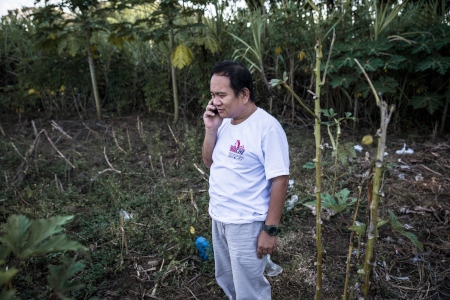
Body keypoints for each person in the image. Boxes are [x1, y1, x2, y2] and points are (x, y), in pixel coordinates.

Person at [202, 60, 290, 300]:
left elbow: (280, 180)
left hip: (246, 223)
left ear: (244, 94)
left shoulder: (267, 128)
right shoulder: (224, 122)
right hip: (219, 217)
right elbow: (210, 162)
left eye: (222, 94)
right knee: (227, 279)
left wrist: (270, 230)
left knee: (250, 289)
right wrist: (211, 129)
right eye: (212, 95)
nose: (215, 101)